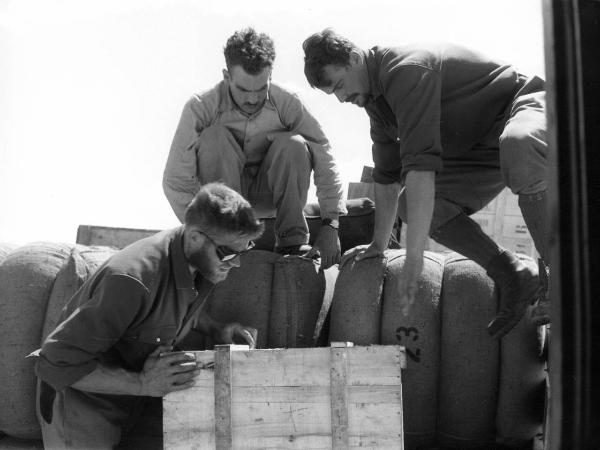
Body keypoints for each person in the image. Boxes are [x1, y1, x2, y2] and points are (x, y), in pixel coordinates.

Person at [302, 29, 550, 339]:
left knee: (519, 144)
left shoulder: (406, 70)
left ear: (354, 58)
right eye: (332, 95)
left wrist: (415, 258)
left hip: (521, 106)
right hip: (478, 151)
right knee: (413, 206)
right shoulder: (376, 105)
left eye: (339, 85)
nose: (341, 98)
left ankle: (563, 279)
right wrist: (379, 245)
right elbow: (387, 177)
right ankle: (512, 273)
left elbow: (421, 169)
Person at [34, 182, 264, 449]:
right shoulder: (131, 279)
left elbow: (167, 309)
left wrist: (217, 329)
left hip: (134, 400)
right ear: (195, 237)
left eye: (244, 251)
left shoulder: (199, 260)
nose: (236, 263)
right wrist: (143, 383)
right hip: (83, 410)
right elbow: (55, 364)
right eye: (229, 253)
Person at [163, 27, 346, 269]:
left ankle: (291, 241)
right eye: (243, 90)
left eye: (261, 90)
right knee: (213, 138)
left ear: (271, 75)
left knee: (294, 144)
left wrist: (330, 224)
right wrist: (202, 232)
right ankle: (226, 240)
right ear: (227, 77)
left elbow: (323, 154)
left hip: (269, 193)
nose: (252, 99)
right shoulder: (200, 107)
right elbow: (177, 181)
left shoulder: (288, 102)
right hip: (222, 203)